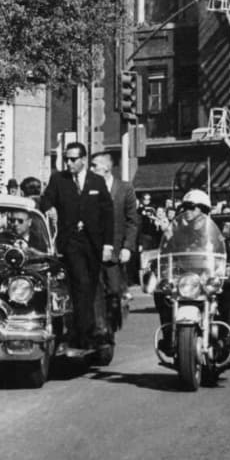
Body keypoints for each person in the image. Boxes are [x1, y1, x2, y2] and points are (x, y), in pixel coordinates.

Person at [40, 141, 113, 351]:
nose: (69, 163)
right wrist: (50, 207)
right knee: (80, 283)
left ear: (83, 160)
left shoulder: (96, 182)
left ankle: (92, 330)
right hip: (71, 242)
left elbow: (107, 215)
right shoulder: (58, 180)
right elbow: (45, 200)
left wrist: (108, 244)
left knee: (90, 287)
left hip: (93, 243)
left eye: (73, 159)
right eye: (66, 159)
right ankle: (82, 334)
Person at [153, 189, 230, 356]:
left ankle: (226, 340)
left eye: (192, 207)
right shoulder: (178, 232)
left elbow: (226, 252)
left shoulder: (214, 232)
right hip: (184, 279)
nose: (187, 211)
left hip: (206, 279)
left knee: (227, 289)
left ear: (203, 209)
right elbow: (168, 251)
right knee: (161, 292)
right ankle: (169, 336)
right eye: (185, 208)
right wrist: (160, 265)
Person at [89, 152, 138, 343]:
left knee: (113, 290)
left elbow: (132, 221)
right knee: (94, 291)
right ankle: (100, 330)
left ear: (106, 168)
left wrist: (127, 247)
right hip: (93, 251)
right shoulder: (89, 189)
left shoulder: (125, 189)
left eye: (95, 166)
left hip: (115, 253)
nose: (91, 170)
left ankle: (111, 321)